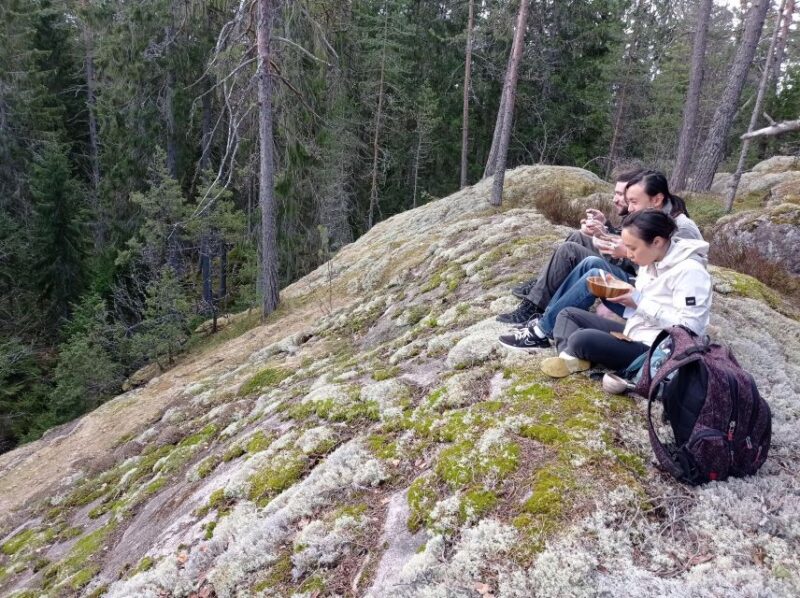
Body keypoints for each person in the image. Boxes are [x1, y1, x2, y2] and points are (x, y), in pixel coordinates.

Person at [498, 169, 706, 351]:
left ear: (657, 199)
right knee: (579, 249)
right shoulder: (650, 216)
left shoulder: (682, 230)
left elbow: (666, 268)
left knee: (593, 269)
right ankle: (542, 317)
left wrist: (624, 254)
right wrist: (606, 231)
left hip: (651, 304)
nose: (629, 206)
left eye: (633, 201)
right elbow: (645, 253)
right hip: (644, 293)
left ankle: (542, 327)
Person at [535, 209, 711, 378]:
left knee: (581, 338)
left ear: (657, 242)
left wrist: (638, 301)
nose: (628, 254)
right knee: (566, 314)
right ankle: (572, 359)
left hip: (654, 350)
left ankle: (574, 353)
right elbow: (645, 305)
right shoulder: (651, 259)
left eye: (633, 248)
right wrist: (623, 296)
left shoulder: (690, 271)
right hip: (633, 332)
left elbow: (691, 329)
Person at [497, 168, 641, 325]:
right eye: (617, 193)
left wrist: (611, 240)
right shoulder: (637, 212)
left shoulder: (655, 221)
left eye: (621, 194)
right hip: (623, 263)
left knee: (569, 250)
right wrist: (605, 227)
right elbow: (626, 238)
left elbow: (639, 257)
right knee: (577, 236)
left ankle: (535, 307)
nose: (615, 199)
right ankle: (541, 285)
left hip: (630, 277)